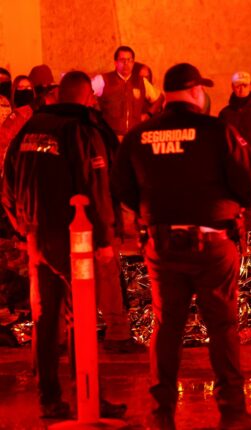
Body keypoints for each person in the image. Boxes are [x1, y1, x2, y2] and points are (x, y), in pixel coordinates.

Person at [112, 62, 251, 428]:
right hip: (213, 243)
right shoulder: (218, 131)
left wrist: (154, 210)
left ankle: (160, 413)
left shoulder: (139, 135)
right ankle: (232, 413)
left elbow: (121, 187)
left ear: (166, 95)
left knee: (167, 327)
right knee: (222, 328)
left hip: (163, 245)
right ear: (197, 92)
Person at [1, 71, 126, 419]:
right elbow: (95, 186)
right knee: (80, 317)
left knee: (44, 319)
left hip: (36, 238)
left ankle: (50, 400)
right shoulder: (82, 130)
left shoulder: (30, 128)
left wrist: (23, 227)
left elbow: (7, 185)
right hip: (75, 239)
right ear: (87, 98)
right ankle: (89, 397)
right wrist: (104, 239)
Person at [92, 46, 161, 139]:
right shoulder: (103, 80)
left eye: (129, 60)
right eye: (122, 60)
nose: (126, 63)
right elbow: (85, 94)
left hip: (133, 136)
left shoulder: (141, 82)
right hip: (110, 137)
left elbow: (159, 98)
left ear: (133, 63)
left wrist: (149, 114)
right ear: (115, 62)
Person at [0, 65, 59, 164]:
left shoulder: (43, 116)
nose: (25, 91)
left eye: (28, 88)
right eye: (21, 88)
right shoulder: (11, 113)